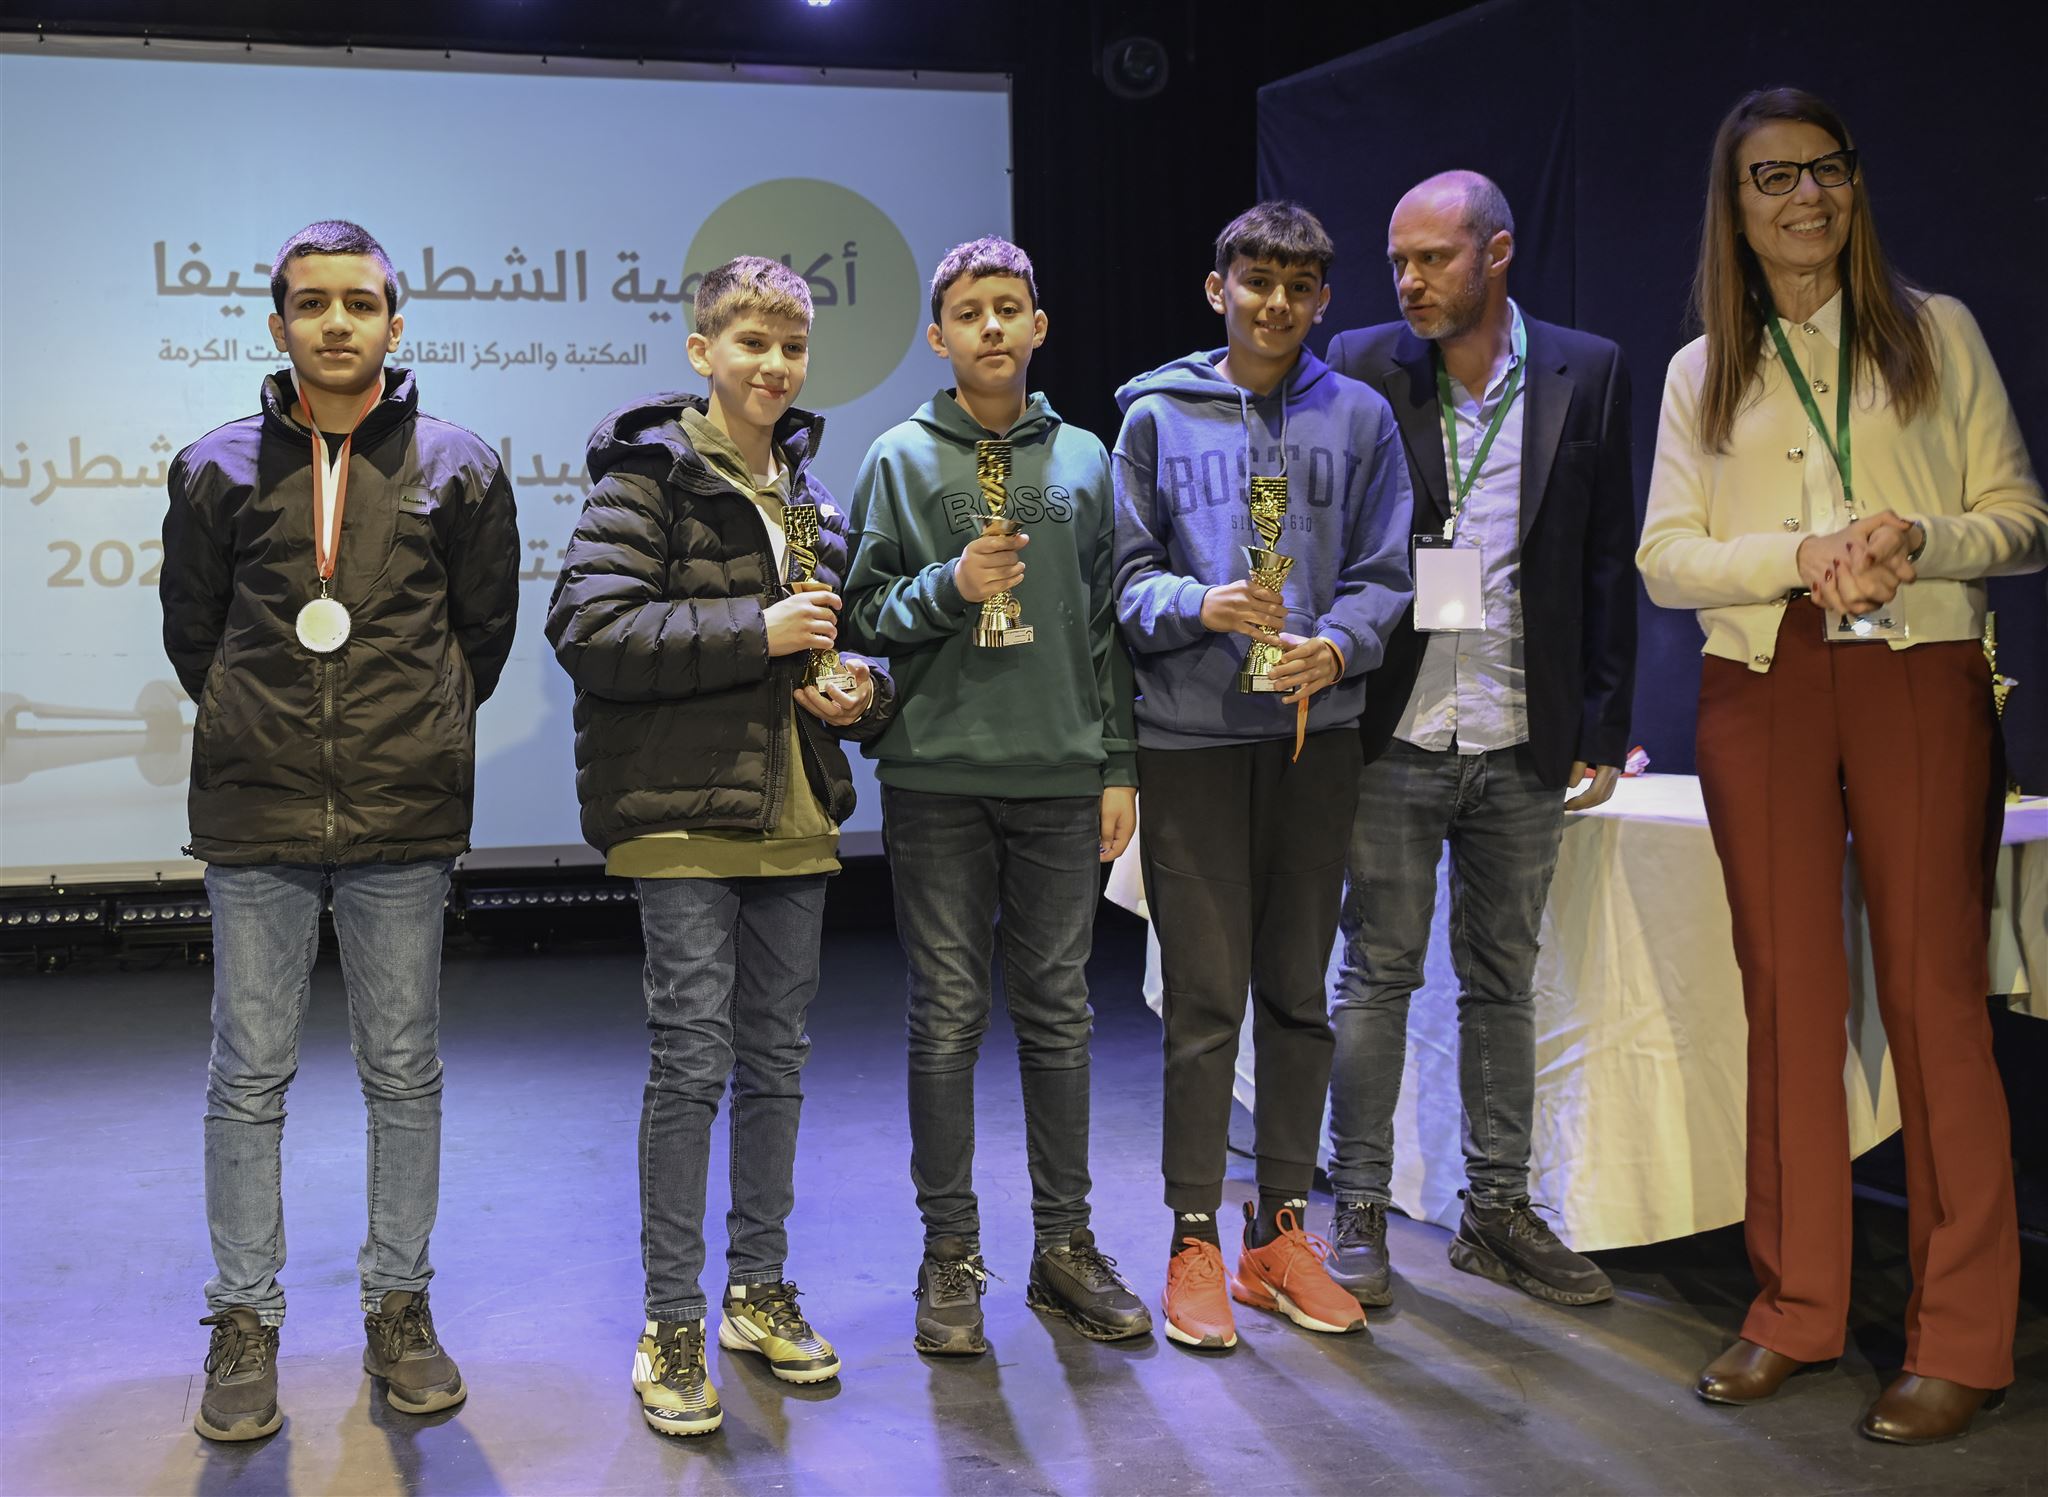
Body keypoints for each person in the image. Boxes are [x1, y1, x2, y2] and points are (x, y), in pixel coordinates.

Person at [1637, 87, 2046, 1444]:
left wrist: (1918, 538)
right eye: (1771, 176)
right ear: (1735, 203)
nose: (1802, 196)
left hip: (1917, 670)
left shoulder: (1938, 333)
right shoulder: (1703, 369)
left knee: (1934, 997)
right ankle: (1796, 1306)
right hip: (1761, 683)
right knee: (1789, 999)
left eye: (1824, 170)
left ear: (1856, 186)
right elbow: (1664, 557)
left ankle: (1961, 1334)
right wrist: (1794, 556)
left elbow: (2021, 518)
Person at [159, 219, 519, 1441]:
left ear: (394, 324)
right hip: (254, 809)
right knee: (247, 1074)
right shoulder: (214, 467)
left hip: (401, 811)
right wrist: (260, 723)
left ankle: (397, 1307)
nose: (335, 322)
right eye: (311, 304)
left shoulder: (459, 466)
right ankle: (244, 1320)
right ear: (278, 326)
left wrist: (413, 732)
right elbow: (194, 635)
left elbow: (480, 638)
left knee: (402, 1071)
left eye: (358, 303)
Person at [546, 256, 896, 1437]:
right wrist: (757, 628)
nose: (774, 364)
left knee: (777, 1066)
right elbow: (589, 628)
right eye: (751, 342)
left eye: (791, 347)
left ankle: (757, 1290)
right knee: (692, 1063)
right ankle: (670, 1321)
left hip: (794, 817)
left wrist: (863, 690)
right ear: (702, 353)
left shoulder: (812, 497)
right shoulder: (644, 478)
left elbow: (833, 643)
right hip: (678, 818)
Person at [1320, 171, 1637, 1309]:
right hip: (1397, 727)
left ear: (1495, 254)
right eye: (1397, 261)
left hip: (1521, 729)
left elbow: (1605, 560)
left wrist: (1602, 721)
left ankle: (1495, 1212)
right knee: (1377, 974)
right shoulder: (1360, 363)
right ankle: (1357, 1208)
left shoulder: (1586, 369)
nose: (1407, 281)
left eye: (1432, 259)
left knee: (1503, 980)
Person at [1112, 201, 1414, 1350]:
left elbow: (1385, 571)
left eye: (1297, 286)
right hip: (1189, 741)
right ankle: (1192, 1240)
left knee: (1298, 993)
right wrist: (1199, 603)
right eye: (1255, 281)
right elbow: (1122, 580)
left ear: (1322, 300)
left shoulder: (1360, 416)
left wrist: (1336, 645)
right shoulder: (1153, 414)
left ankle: (1279, 1234)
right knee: (1204, 1002)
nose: (1275, 303)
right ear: (1217, 290)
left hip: (1312, 735)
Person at [843, 236, 1151, 1355]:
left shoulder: (1083, 457)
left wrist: (1117, 763)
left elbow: (1108, 623)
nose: (990, 326)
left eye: (1008, 307)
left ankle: (1063, 1245)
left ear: (1038, 327)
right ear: (938, 336)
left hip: (1061, 776)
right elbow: (862, 611)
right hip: (936, 774)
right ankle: (949, 1252)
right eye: (969, 311)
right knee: (945, 1016)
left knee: (1060, 1014)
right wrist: (950, 585)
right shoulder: (896, 456)